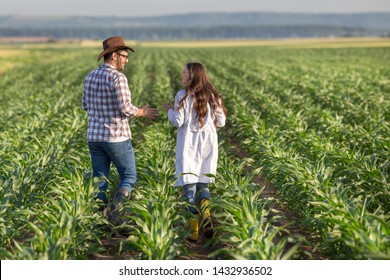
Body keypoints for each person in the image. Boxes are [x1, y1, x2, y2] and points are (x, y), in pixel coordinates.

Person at [82, 36, 158, 226]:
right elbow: (126, 109)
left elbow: (85, 105)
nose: (127, 60)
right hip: (116, 137)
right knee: (129, 176)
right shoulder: (118, 77)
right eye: (124, 55)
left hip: (94, 137)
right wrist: (143, 111)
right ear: (114, 55)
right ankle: (115, 216)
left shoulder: (90, 76)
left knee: (100, 178)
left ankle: (97, 219)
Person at [163, 62, 227, 242]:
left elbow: (178, 121)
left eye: (184, 72)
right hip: (208, 144)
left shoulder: (182, 95)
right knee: (203, 184)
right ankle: (206, 216)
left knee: (189, 188)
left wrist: (169, 110)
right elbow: (221, 122)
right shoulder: (212, 95)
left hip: (189, 145)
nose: (181, 75)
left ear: (192, 76)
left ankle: (193, 232)